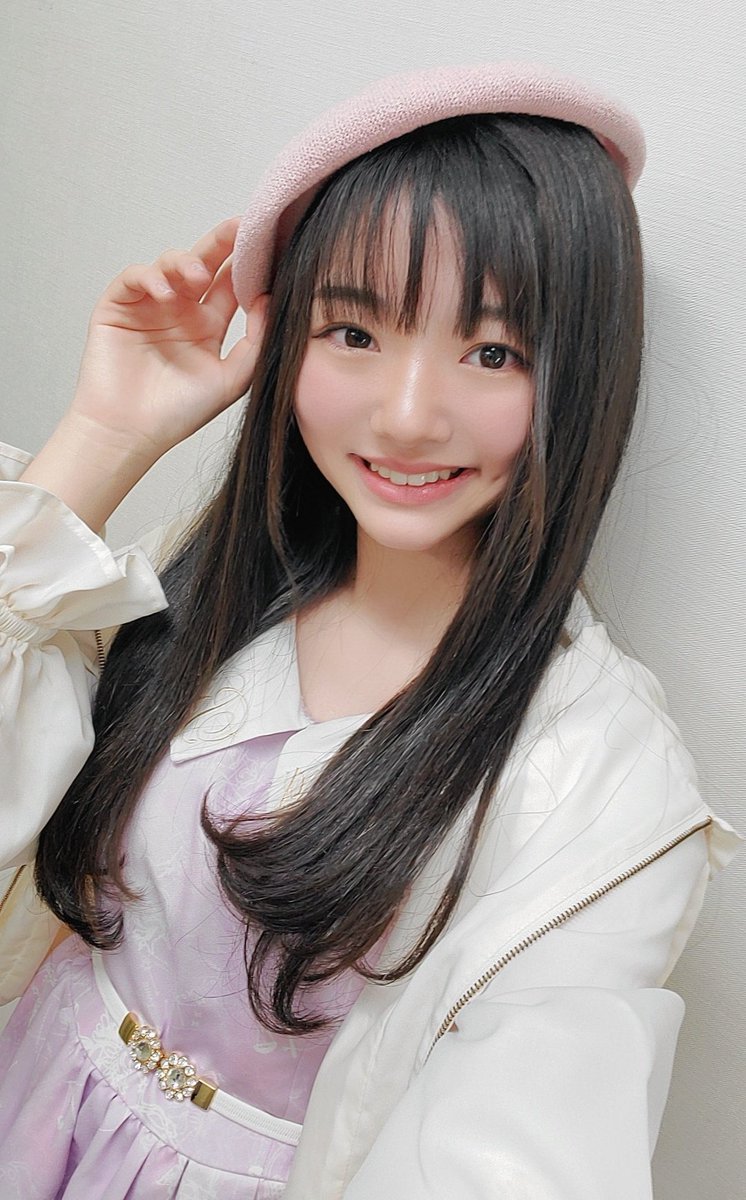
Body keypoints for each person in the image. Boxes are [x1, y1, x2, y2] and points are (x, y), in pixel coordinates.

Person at [0, 61, 742, 1199]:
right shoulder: (206, 587)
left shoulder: (598, 786)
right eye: (353, 331)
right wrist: (104, 435)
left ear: (579, 375)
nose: (406, 416)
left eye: (492, 352)